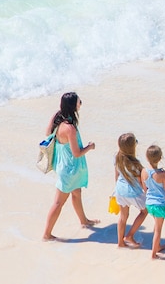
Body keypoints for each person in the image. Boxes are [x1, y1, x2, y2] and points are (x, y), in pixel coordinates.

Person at [42, 92, 99, 241]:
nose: (81, 103)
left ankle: (84, 221)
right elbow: (77, 153)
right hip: (70, 169)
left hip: (62, 163)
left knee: (76, 193)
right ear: (73, 105)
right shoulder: (70, 128)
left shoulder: (57, 117)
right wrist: (90, 147)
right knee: (58, 202)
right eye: (80, 102)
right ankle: (47, 234)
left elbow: (48, 133)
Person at [141, 144, 165, 259]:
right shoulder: (162, 174)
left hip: (149, 204)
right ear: (160, 158)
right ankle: (154, 254)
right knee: (158, 229)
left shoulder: (144, 171)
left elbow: (145, 188)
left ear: (147, 157)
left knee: (156, 225)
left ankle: (157, 246)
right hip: (159, 205)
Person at [113, 133, 148, 248]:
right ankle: (130, 235)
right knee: (145, 211)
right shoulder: (137, 164)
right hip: (133, 193)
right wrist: (147, 192)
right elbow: (142, 182)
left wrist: (117, 190)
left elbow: (116, 177)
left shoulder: (117, 158)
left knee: (123, 217)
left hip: (120, 190)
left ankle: (120, 243)